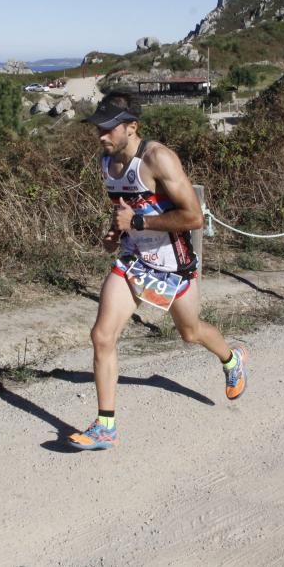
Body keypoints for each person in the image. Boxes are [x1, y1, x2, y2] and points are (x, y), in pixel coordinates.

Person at [68, 92, 249, 451]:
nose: (100, 136)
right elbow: (123, 210)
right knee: (102, 336)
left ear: (131, 126)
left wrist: (136, 219)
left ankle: (232, 359)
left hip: (174, 263)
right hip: (134, 260)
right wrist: (115, 232)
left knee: (191, 332)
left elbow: (193, 217)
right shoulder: (107, 162)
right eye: (97, 128)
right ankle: (105, 427)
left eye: (108, 128)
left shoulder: (158, 158)